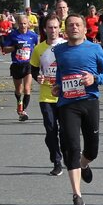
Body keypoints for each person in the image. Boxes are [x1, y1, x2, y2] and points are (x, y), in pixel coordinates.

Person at [52, 13, 103, 205]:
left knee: (92, 149)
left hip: (89, 101)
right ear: (65, 29)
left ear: (85, 29)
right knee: (71, 146)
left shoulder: (95, 49)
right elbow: (60, 74)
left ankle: (84, 165)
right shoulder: (59, 50)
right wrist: (57, 87)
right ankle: (77, 196)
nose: (74, 28)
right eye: (70, 25)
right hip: (67, 104)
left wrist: (94, 78)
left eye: (78, 25)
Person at [29, 15, 66, 175]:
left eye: (55, 27)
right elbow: (33, 68)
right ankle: (56, 160)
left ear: (60, 28)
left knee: (65, 131)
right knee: (51, 130)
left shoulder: (66, 46)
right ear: (44, 29)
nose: (53, 30)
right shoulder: (39, 49)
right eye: (50, 27)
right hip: (46, 95)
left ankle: (69, 153)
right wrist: (38, 77)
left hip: (65, 95)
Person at [2, 14, 39, 121]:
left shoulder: (33, 36)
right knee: (19, 89)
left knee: (27, 88)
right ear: (18, 24)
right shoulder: (13, 35)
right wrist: (14, 47)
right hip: (16, 64)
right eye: (21, 23)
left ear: (28, 24)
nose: (23, 26)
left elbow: (37, 48)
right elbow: (5, 49)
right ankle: (19, 102)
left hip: (28, 64)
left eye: (25, 23)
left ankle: (23, 111)